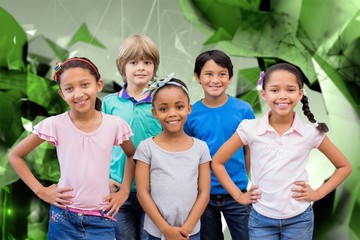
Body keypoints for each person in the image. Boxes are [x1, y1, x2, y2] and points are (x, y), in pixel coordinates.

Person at [211, 62, 352, 239]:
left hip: (299, 220)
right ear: (264, 94)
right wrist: (239, 196)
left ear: (300, 94)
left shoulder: (311, 133)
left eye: (290, 90)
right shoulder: (249, 129)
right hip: (261, 220)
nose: (283, 96)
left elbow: (344, 166)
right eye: (275, 90)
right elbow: (217, 162)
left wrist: (317, 193)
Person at [8, 57, 136, 240]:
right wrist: (41, 191)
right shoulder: (55, 124)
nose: (78, 94)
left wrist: (124, 191)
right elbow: (15, 156)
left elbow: (132, 154)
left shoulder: (115, 124)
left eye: (85, 85)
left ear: (98, 85)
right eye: (69, 89)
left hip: (101, 219)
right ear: (62, 94)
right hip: (63, 219)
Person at [184, 49, 257, 240]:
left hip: (237, 194)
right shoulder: (191, 114)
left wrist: (245, 180)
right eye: (208, 74)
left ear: (230, 77)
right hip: (203, 196)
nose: (215, 80)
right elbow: (189, 155)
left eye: (222, 74)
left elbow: (249, 151)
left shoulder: (244, 110)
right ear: (197, 77)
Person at [135, 74, 211, 240]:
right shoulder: (146, 148)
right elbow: (142, 192)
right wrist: (166, 230)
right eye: (163, 109)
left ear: (189, 108)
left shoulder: (200, 148)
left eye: (179, 107)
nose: (172, 114)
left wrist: (187, 228)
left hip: (190, 231)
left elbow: (204, 192)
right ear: (154, 112)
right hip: (156, 231)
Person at [101, 34, 162, 240]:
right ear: (122, 67)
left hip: (155, 189)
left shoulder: (162, 102)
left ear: (154, 67)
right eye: (133, 62)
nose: (141, 67)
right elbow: (102, 146)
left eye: (147, 62)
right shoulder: (110, 103)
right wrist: (105, 179)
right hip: (118, 190)